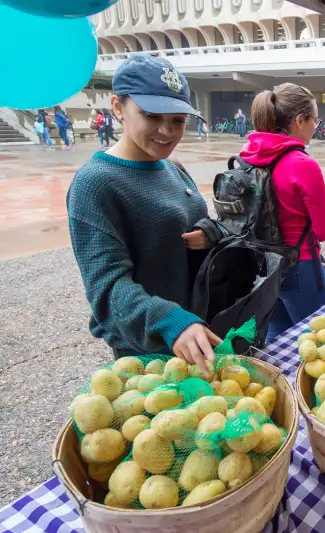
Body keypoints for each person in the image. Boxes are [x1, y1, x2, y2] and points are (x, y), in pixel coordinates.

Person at [67, 54, 225, 374]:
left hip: (198, 331)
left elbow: (193, 221)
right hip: (148, 353)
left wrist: (211, 232)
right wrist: (169, 321)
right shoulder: (94, 184)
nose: (167, 131)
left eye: (178, 120)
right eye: (152, 115)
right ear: (117, 107)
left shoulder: (172, 166)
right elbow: (107, 290)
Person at [240, 84, 325, 340]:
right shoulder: (303, 165)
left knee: (276, 338)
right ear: (299, 120)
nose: (316, 126)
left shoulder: (249, 156)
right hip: (299, 265)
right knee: (314, 341)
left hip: (263, 264)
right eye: (315, 119)